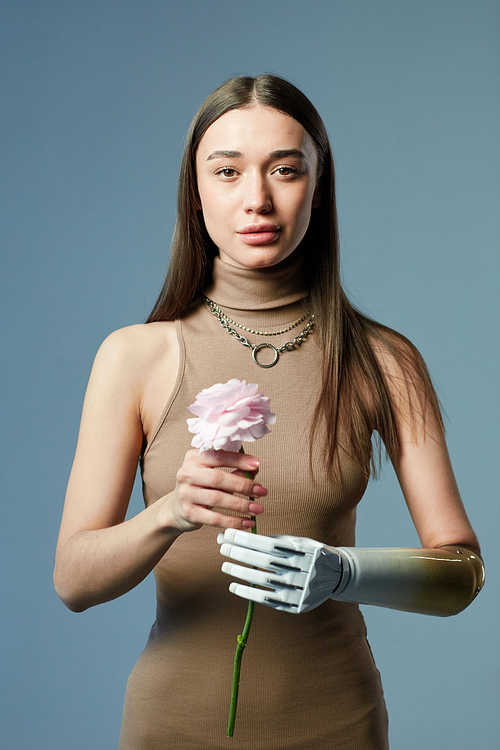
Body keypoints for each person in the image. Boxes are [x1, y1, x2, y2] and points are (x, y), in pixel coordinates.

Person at [54, 74, 484, 749]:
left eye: (286, 170)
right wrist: (171, 513)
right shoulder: (134, 357)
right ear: (195, 192)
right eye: (226, 172)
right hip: (171, 727)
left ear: (319, 184)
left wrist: (344, 572)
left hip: (339, 724)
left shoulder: (384, 361)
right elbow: (72, 581)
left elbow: (462, 574)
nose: (256, 199)